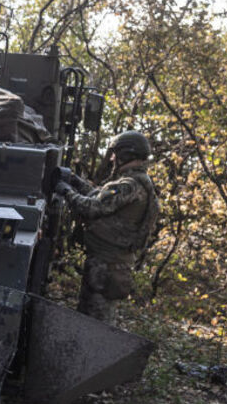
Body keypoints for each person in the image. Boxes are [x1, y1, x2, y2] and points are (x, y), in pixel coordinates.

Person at [55, 130, 160, 322]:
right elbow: (100, 197)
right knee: (94, 321)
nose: (112, 158)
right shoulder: (134, 182)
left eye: (115, 153)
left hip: (107, 267)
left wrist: (67, 192)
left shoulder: (129, 185)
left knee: (94, 325)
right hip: (111, 265)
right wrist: (76, 183)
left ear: (126, 155)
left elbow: (92, 208)